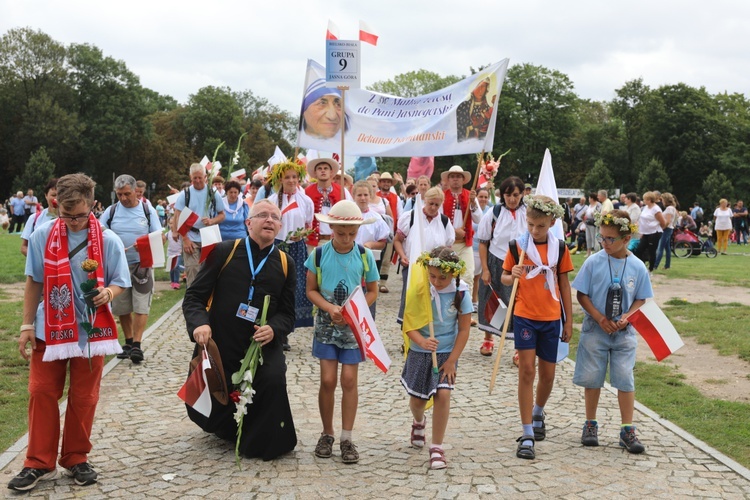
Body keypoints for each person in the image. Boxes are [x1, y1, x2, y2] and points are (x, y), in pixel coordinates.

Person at [10, 173, 129, 492]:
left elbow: (120, 280)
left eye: (80, 214)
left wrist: (109, 293)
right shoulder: (42, 234)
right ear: (55, 205)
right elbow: (34, 280)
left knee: (85, 396)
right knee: (41, 392)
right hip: (48, 329)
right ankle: (37, 462)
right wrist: (25, 326)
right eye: (66, 214)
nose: (74, 222)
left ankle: (77, 457)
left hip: (92, 332)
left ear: (92, 205)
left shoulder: (107, 239)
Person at [182, 199, 298, 460]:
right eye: (262, 215)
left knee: (272, 378)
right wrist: (199, 323)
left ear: (280, 226)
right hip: (223, 340)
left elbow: (288, 315)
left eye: (274, 217)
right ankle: (226, 426)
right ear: (249, 223)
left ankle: (261, 441)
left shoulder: (285, 262)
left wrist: (274, 329)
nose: (269, 220)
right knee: (218, 400)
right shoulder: (225, 251)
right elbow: (194, 298)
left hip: (261, 344)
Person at [305, 200, 379, 464]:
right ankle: (327, 433)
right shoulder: (318, 254)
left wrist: (352, 311)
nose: (346, 239)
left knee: (348, 379)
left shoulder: (364, 255)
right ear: (331, 229)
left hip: (353, 324)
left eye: (352, 234)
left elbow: (372, 291)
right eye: (341, 233)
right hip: (326, 324)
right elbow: (311, 290)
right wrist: (329, 307)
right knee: (327, 380)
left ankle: (347, 437)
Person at [573, 210, 652, 454]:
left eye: (610, 239)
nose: (605, 243)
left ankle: (627, 428)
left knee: (625, 378)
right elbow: (581, 294)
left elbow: (642, 298)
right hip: (595, 329)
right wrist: (598, 317)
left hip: (624, 333)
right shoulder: (593, 261)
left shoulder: (637, 267)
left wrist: (628, 316)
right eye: (602, 238)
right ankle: (590, 423)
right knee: (592, 376)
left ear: (627, 239)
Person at [501, 195, 573, 460]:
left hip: (552, 316)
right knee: (526, 370)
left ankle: (538, 410)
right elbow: (504, 277)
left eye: (540, 226)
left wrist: (569, 319)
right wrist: (513, 275)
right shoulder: (517, 246)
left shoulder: (560, 249)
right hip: (525, 315)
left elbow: (564, 284)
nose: (534, 230)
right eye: (530, 224)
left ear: (552, 222)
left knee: (549, 374)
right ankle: (527, 432)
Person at [401, 246, 472, 470]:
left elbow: (464, 329)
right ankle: (419, 421)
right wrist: (421, 341)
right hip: (420, 351)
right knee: (418, 401)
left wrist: (452, 360)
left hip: (446, 352)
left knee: (443, 394)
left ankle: (437, 447)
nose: (437, 281)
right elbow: (408, 324)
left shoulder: (461, 292)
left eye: (443, 278)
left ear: (453, 274)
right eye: (432, 276)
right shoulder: (420, 289)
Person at [100, 175, 162, 364]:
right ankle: (127, 342)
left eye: (127, 193)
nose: (124, 198)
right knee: (122, 306)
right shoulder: (111, 211)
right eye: (120, 194)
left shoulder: (147, 210)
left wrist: (144, 243)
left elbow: (158, 234)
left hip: (142, 264)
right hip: (118, 265)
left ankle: (137, 344)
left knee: (141, 304)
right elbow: (99, 231)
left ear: (136, 191)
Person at [476, 176, 527, 358]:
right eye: (508, 195)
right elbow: (483, 242)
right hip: (496, 261)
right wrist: (485, 269)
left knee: (518, 304)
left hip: (520, 263)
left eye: (515, 195)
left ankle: (519, 348)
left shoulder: (528, 213)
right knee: (494, 300)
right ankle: (488, 339)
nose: (512, 199)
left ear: (522, 194)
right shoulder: (494, 213)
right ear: (502, 195)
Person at [393, 187, 455, 324]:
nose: (433, 207)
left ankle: (427, 332)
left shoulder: (444, 222)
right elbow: (397, 240)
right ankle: (407, 333)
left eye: (436, 205)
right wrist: (402, 255)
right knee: (411, 300)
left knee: (431, 302)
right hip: (412, 266)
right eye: (430, 203)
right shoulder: (411, 217)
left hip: (434, 270)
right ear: (425, 201)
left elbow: (448, 247)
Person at [267, 160, 315, 334]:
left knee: (296, 286)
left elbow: (309, 224)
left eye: (294, 177)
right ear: (280, 179)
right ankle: (276, 325)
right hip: (277, 245)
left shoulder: (305, 200)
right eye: (287, 177)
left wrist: (301, 234)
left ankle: (289, 324)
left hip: (297, 246)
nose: (292, 180)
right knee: (277, 285)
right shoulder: (273, 201)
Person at [172, 163, 226, 287]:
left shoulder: (213, 193)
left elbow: (222, 215)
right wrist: (184, 239)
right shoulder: (185, 194)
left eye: (200, 177)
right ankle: (193, 302)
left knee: (210, 272)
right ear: (190, 177)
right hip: (191, 236)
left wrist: (212, 221)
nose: (197, 181)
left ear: (205, 177)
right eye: (194, 178)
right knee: (193, 272)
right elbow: (177, 217)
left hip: (209, 236)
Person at [352, 180, 392, 317]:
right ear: (354, 196)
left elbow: (382, 243)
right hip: (349, 260)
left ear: (370, 196)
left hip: (368, 263)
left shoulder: (376, 219)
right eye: (359, 195)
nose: (363, 198)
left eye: (365, 195)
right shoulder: (347, 216)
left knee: (369, 291)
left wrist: (370, 244)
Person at [441, 165, 482, 298]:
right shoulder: (442, 196)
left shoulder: (471, 196)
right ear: (448, 180)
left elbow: (478, 219)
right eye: (452, 176)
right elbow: (439, 220)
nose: (455, 179)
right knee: (445, 275)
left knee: (468, 275)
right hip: (447, 245)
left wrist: (474, 204)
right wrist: (453, 232)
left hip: (465, 244)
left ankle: (466, 309)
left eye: (458, 176)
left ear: (463, 180)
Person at [304, 158, 352, 249]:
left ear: (331, 172)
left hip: (336, 241)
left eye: (326, 168)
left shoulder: (343, 191)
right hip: (312, 241)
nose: (323, 171)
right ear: (315, 173)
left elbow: (350, 214)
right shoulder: (307, 192)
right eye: (319, 168)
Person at [375, 172, 401, 293]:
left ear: (391, 184)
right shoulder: (374, 196)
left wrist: (397, 232)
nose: (386, 183)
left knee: (386, 258)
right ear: (380, 183)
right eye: (384, 181)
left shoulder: (396, 198)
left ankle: (383, 283)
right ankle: (373, 281)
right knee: (375, 257)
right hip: (375, 232)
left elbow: (399, 215)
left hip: (389, 232)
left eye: (388, 181)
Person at [21, 178, 58, 256]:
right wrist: (39, 259)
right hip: (42, 267)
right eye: (53, 195)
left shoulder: (71, 219)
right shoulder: (34, 218)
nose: (56, 199)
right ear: (46, 195)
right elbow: (24, 247)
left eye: (61, 195)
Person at [472, 188, 492, 316]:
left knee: (478, 277)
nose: (483, 199)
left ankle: (475, 300)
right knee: (470, 275)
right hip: (472, 247)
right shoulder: (473, 209)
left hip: (484, 248)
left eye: (485, 197)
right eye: (481, 196)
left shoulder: (490, 211)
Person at [456, 77, 495, 141]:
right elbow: (459, 126)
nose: (480, 90)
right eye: (478, 87)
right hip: (465, 144)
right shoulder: (464, 106)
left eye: (483, 87)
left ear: (486, 90)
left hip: (481, 144)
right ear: (473, 89)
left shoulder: (488, 108)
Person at [635, 192, 667, 271]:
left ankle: (651, 268)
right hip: (645, 232)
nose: (643, 201)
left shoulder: (656, 209)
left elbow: (663, 222)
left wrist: (656, 229)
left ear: (649, 200)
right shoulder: (646, 207)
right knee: (639, 249)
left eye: (645, 199)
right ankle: (641, 266)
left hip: (654, 232)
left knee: (651, 251)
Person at [653, 192, 677, 270]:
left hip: (666, 229)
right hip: (669, 229)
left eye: (662, 200)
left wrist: (662, 228)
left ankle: (655, 265)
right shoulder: (672, 208)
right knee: (667, 248)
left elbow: (668, 221)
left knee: (660, 248)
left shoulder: (669, 208)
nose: (662, 201)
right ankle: (667, 265)